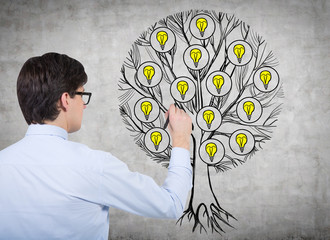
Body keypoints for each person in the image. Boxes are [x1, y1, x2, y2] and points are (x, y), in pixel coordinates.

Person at [0, 52, 192, 239]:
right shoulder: (94, 166)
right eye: (82, 95)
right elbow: (171, 204)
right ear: (66, 99)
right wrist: (181, 139)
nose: (84, 105)